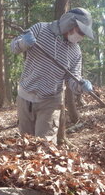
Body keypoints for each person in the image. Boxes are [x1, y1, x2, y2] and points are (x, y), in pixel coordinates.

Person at [11, 8, 94, 141]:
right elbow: (14, 47)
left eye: (83, 35)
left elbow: (73, 80)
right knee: (26, 143)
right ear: (69, 24)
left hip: (50, 101)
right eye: (80, 32)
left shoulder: (75, 52)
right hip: (25, 97)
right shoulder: (41, 29)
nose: (81, 37)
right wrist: (23, 43)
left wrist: (81, 85)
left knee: (45, 145)